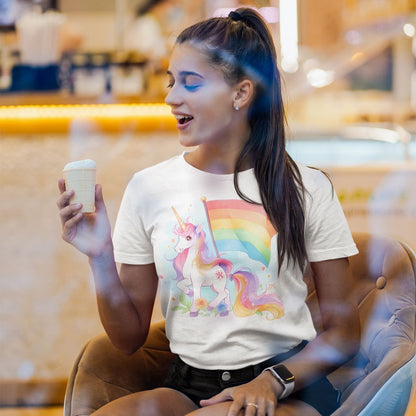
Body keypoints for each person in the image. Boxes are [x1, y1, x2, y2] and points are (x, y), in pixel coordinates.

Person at [57, 8, 360, 416]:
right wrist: (99, 256)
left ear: (241, 93)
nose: (170, 97)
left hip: (286, 387)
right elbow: (128, 339)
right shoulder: (148, 188)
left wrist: (273, 381)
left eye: (190, 82)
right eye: (171, 81)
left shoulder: (306, 187)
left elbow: (343, 334)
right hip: (188, 384)